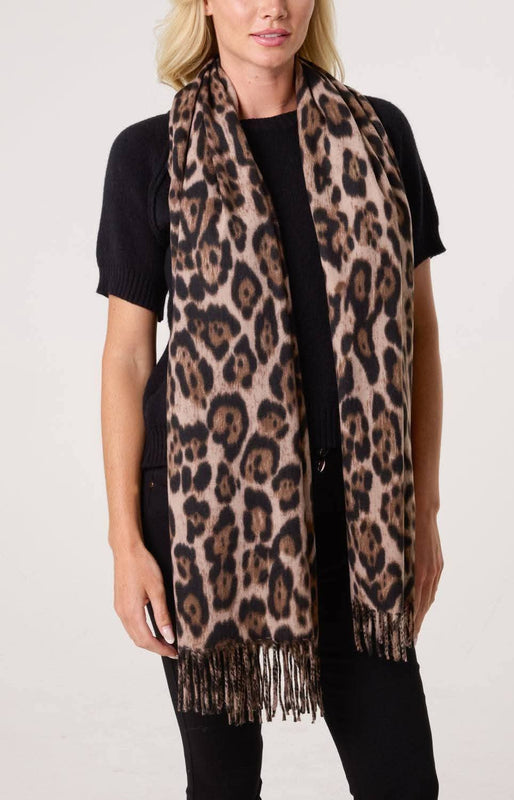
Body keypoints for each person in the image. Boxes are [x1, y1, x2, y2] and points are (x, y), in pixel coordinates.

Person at [95, 1, 446, 797]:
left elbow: (417, 332)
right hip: (203, 517)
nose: (271, 8)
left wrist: (421, 509)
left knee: (400, 780)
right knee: (222, 787)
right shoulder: (149, 153)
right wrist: (125, 543)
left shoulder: (380, 135)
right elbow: (126, 357)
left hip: (361, 515)